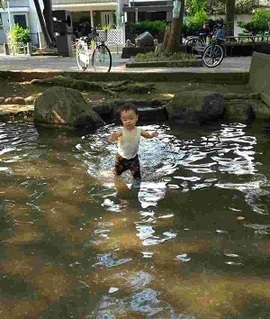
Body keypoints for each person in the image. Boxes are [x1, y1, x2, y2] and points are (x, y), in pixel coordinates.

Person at [107, 103, 158, 184]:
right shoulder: (121, 131)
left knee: (137, 177)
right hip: (121, 159)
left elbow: (147, 135)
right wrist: (112, 136)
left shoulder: (139, 130)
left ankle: (136, 189)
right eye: (125, 119)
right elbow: (112, 138)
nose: (128, 121)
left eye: (131, 118)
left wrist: (152, 134)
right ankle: (114, 176)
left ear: (137, 117)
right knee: (117, 175)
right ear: (121, 120)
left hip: (134, 159)